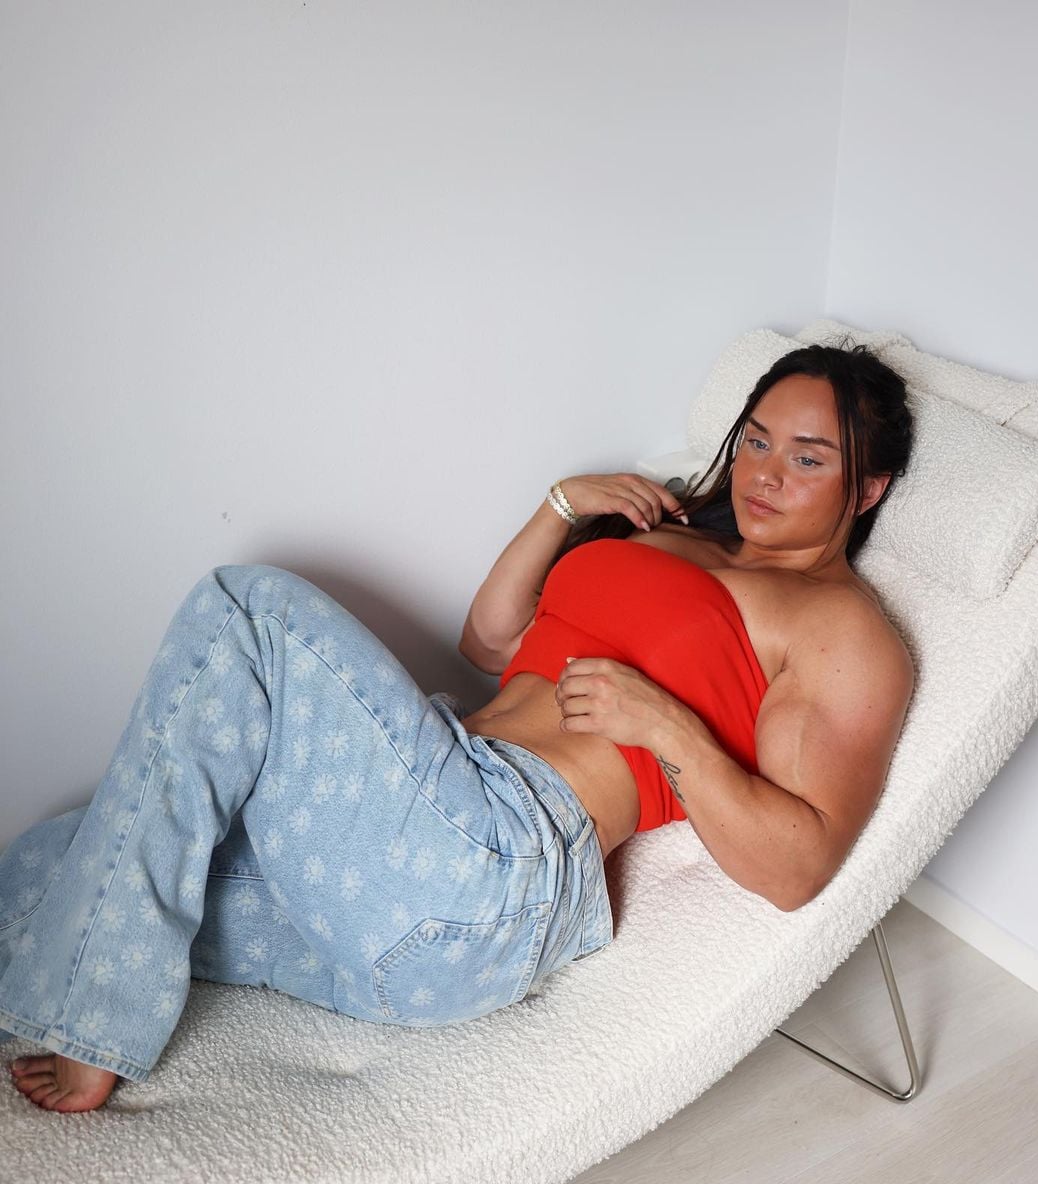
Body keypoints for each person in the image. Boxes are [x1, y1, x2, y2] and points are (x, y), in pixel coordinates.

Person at [2, 342, 914, 1113]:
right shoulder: (677, 532)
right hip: (406, 875)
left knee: (246, 609)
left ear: (867, 487)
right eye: (755, 440)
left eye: (808, 459)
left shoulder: (841, 628)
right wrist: (563, 506)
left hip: (491, 869)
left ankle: (96, 1024)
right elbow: (491, 641)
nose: (765, 473)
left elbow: (798, 868)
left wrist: (667, 726)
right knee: (49, 866)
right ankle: (84, 988)